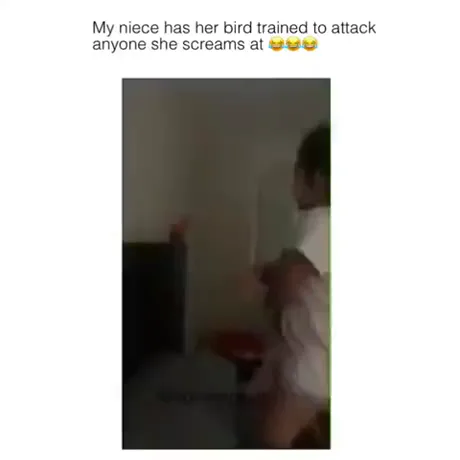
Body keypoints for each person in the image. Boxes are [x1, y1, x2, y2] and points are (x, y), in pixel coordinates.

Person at [248, 122, 331, 448]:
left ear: (317, 180)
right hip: (313, 362)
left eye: (297, 175)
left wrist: (268, 286)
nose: (292, 185)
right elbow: (303, 267)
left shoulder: (323, 220)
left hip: (313, 371)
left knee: (273, 436)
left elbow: (290, 281)